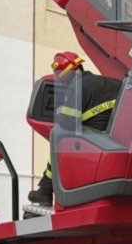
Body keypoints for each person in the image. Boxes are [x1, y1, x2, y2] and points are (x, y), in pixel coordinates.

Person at [27, 51, 122, 207]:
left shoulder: (75, 87)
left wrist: (59, 110)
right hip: (115, 140)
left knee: (58, 137)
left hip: (94, 142)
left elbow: (67, 123)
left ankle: (45, 190)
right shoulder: (112, 83)